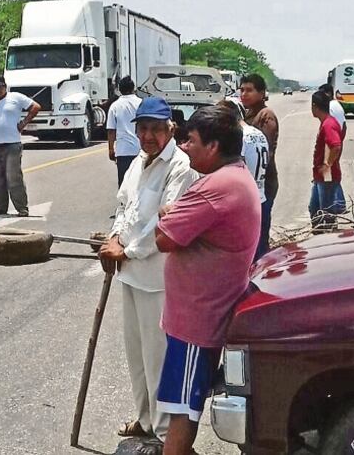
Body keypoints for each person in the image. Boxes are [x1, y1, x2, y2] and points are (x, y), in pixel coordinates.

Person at [153, 106, 260, 455]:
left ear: (213, 147)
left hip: (197, 321)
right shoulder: (234, 175)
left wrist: (168, 214)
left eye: (191, 141)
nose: (184, 147)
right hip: (204, 313)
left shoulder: (215, 187)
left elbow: (164, 238)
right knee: (186, 405)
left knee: (182, 412)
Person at [98, 96, 199, 447]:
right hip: (129, 273)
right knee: (136, 354)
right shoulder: (138, 162)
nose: (149, 136)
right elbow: (124, 205)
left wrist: (126, 249)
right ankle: (144, 419)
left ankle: (162, 434)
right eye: (143, 129)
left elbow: (165, 222)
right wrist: (113, 239)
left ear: (170, 128)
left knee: (157, 359)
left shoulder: (180, 165)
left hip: (158, 277)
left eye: (156, 129)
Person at [240, 73, 279, 260]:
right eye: (242, 90)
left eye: (249, 90)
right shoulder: (247, 115)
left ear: (262, 93)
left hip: (265, 180)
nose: (244, 94)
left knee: (261, 231)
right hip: (251, 181)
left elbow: (265, 148)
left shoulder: (266, 116)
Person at [0, 76, 41, 217]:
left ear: (5, 86)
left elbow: (35, 107)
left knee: (13, 177)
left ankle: (22, 207)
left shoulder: (15, 97)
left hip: (12, 143)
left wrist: (24, 122)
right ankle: (0, 207)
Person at [218, 99, 269, 205]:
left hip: (244, 199)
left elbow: (236, 169)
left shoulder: (237, 136)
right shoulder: (259, 133)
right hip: (260, 195)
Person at [309, 92, 345, 223]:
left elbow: (336, 146)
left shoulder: (328, 124)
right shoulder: (326, 122)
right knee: (315, 210)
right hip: (321, 177)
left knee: (327, 213)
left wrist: (327, 165)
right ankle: (317, 236)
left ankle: (329, 238)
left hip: (327, 177)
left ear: (314, 106)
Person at [106, 76, 143, 187]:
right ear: (133, 89)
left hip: (123, 152)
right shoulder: (141, 103)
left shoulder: (115, 106)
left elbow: (111, 130)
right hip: (141, 150)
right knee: (140, 183)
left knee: (124, 185)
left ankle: (124, 204)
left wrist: (111, 149)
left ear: (120, 89)